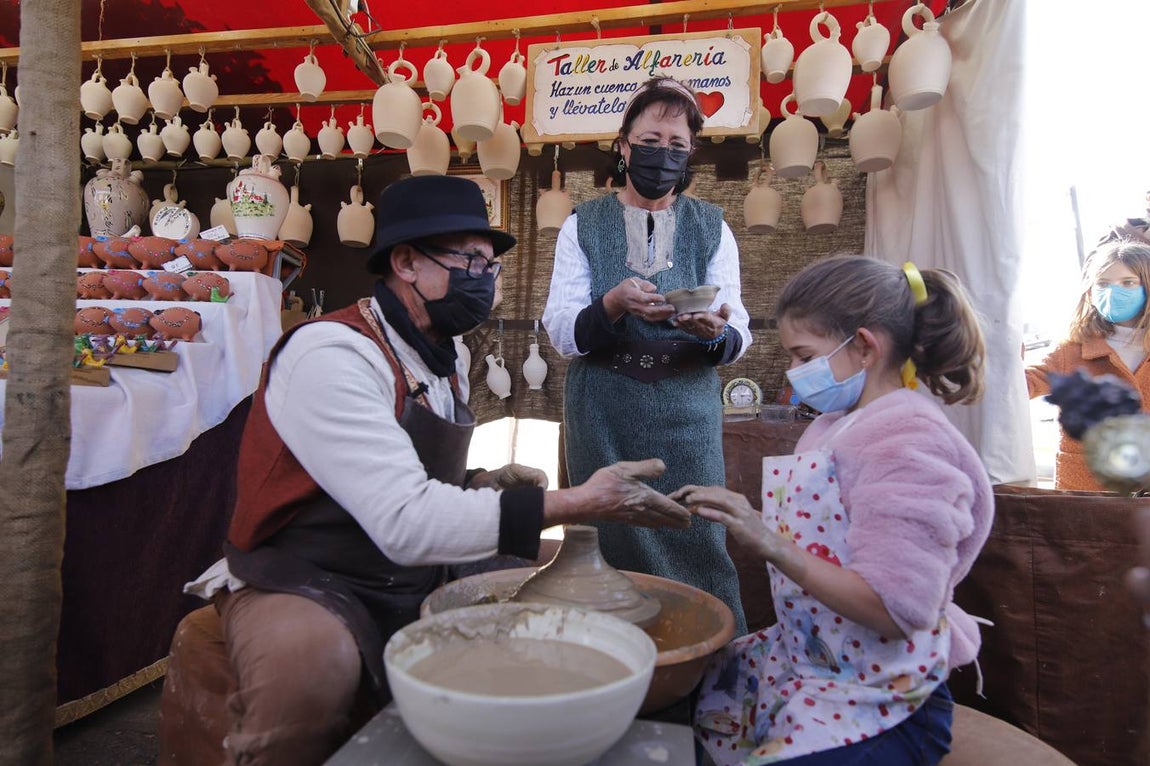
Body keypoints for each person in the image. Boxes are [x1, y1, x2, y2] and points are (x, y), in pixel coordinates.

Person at [173, 175, 691, 766]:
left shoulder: (439, 357)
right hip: (306, 574)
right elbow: (405, 519)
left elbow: (412, 479)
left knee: (527, 620)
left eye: (490, 265)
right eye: (469, 258)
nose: (484, 279)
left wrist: (481, 484)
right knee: (312, 665)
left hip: (404, 571)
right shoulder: (333, 354)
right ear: (406, 263)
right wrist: (581, 502)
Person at [673, 256, 994, 765]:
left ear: (865, 346)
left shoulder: (909, 439)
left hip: (884, 692)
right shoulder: (837, 422)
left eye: (805, 356)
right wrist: (744, 513)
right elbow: (834, 529)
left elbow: (896, 609)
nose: (794, 372)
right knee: (684, 710)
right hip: (820, 659)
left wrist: (767, 540)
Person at [542, 76, 752, 632]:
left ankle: (711, 664)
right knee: (604, 533)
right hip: (602, 407)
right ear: (624, 145)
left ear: (690, 155)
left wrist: (713, 330)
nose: (664, 155)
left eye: (678, 146)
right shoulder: (583, 223)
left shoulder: (713, 226)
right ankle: (611, 657)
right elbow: (561, 329)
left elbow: (739, 330)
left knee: (697, 528)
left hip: (688, 407)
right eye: (651, 140)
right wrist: (611, 305)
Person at [1026, 238, 1150, 491]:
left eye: (1128, 282)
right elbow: (1020, 386)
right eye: (1103, 283)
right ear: (1090, 291)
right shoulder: (1071, 349)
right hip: (1088, 494)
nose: (1113, 291)